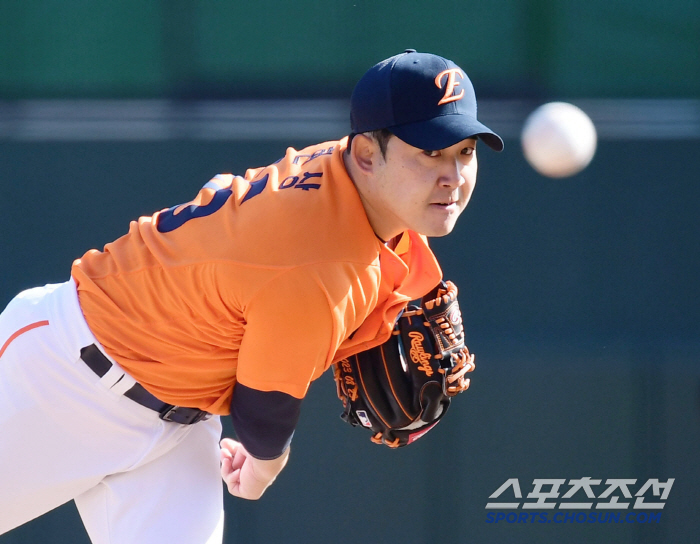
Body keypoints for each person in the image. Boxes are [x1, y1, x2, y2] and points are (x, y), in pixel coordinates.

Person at [0, 49, 503, 543]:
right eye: (430, 153)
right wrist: (264, 466)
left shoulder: (354, 182)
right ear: (368, 154)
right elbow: (263, 410)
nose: (453, 178)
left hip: (177, 424)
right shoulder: (319, 260)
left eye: (465, 152)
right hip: (60, 377)